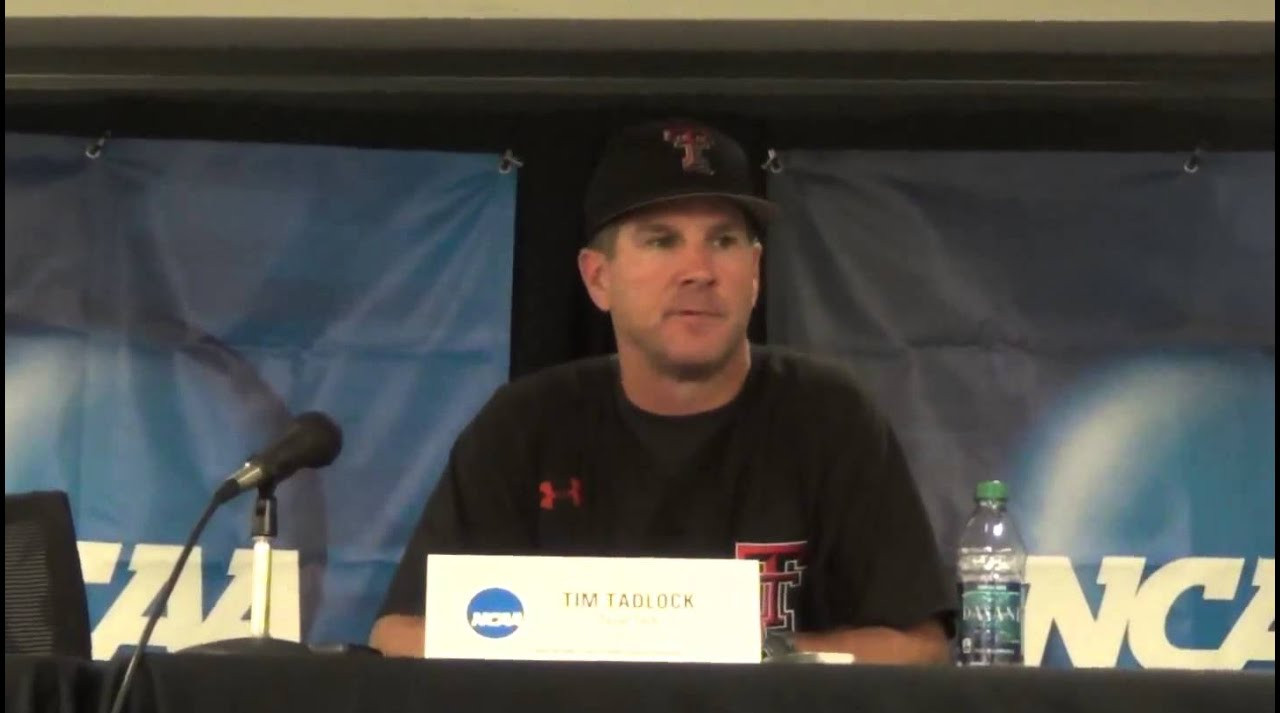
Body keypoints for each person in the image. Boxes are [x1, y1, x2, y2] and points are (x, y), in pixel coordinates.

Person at [371, 120, 953, 663]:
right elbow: (398, 632)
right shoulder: (524, 424)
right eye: (661, 241)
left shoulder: (829, 416)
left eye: (723, 242)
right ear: (599, 278)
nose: (698, 270)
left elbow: (919, 644)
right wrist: (596, 653)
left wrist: (752, 655)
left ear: (755, 273)